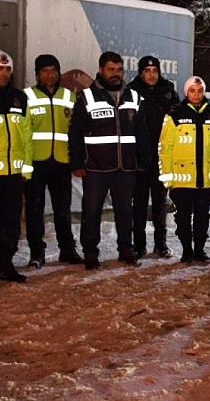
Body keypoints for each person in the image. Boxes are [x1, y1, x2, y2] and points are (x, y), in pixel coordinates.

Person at [68, 51, 149, 270]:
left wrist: (143, 160)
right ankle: (91, 252)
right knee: (92, 210)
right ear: (101, 70)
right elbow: (75, 132)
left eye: (119, 69)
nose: (115, 74)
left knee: (125, 210)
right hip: (96, 166)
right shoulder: (87, 97)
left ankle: (126, 249)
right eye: (111, 69)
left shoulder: (133, 97)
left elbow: (142, 132)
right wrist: (76, 162)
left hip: (126, 167)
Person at [158, 76, 210, 264]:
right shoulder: (174, 115)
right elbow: (165, 148)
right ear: (186, 92)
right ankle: (186, 250)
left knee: (202, 218)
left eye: (199, 91)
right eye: (192, 91)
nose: (196, 95)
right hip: (182, 181)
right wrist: (168, 179)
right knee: (182, 218)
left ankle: (199, 250)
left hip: (206, 180)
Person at [24, 54, 82, 268]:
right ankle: (36, 253)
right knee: (34, 210)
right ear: (37, 74)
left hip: (61, 162)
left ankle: (67, 250)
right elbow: (22, 132)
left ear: (59, 73)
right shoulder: (26, 96)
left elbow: (75, 131)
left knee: (63, 209)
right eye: (44, 71)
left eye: (53, 70)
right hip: (35, 163)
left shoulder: (70, 96)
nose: (49, 75)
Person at [128, 55, 179, 259]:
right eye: (147, 71)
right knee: (138, 204)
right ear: (141, 73)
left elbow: (177, 124)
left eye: (155, 71)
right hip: (139, 158)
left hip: (161, 158)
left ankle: (161, 244)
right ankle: (139, 246)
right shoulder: (130, 92)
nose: (151, 75)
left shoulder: (168, 92)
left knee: (160, 203)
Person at [0, 50, 33, 282]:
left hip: (13, 173)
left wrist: (27, 169)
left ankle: (6, 263)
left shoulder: (19, 98)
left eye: (7, 69)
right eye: (0, 69)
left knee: (11, 221)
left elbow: (27, 135)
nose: (4, 73)